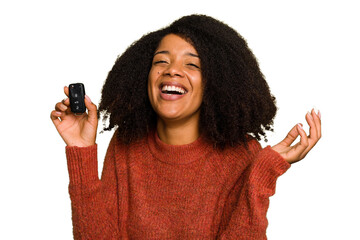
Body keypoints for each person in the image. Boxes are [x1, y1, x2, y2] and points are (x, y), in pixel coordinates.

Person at [50, 15, 321, 239]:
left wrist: (264, 172)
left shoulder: (242, 154)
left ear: (215, 81)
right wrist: (81, 151)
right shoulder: (126, 144)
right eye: (161, 61)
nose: (172, 71)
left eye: (191, 64)